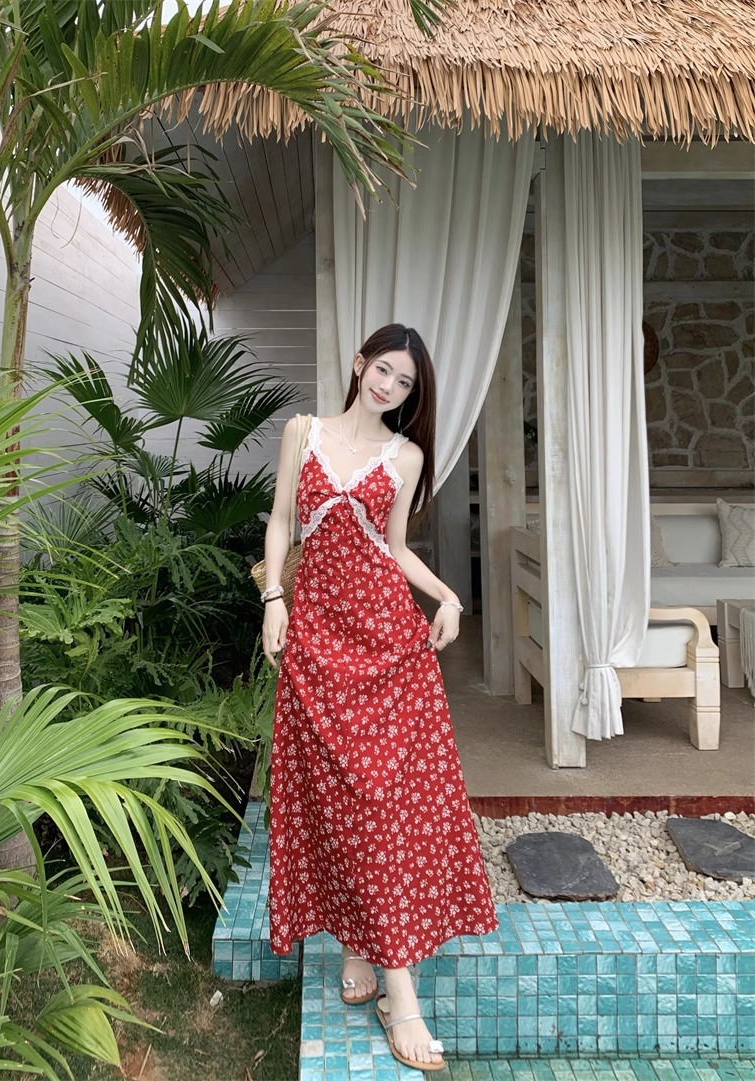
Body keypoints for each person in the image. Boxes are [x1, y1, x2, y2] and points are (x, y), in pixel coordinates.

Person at [261, 324, 497, 1072]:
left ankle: (402, 995)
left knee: (382, 804)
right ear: (360, 363)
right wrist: (274, 599)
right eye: (384, 369)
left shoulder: (407, 456)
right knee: (335, 798)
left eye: (405, 383)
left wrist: (448, 596)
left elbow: (393, 550)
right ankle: (355, 940)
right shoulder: (303, 432)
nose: (389, 386)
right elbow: (281, 521)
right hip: (316, 640)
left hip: (388, 646)